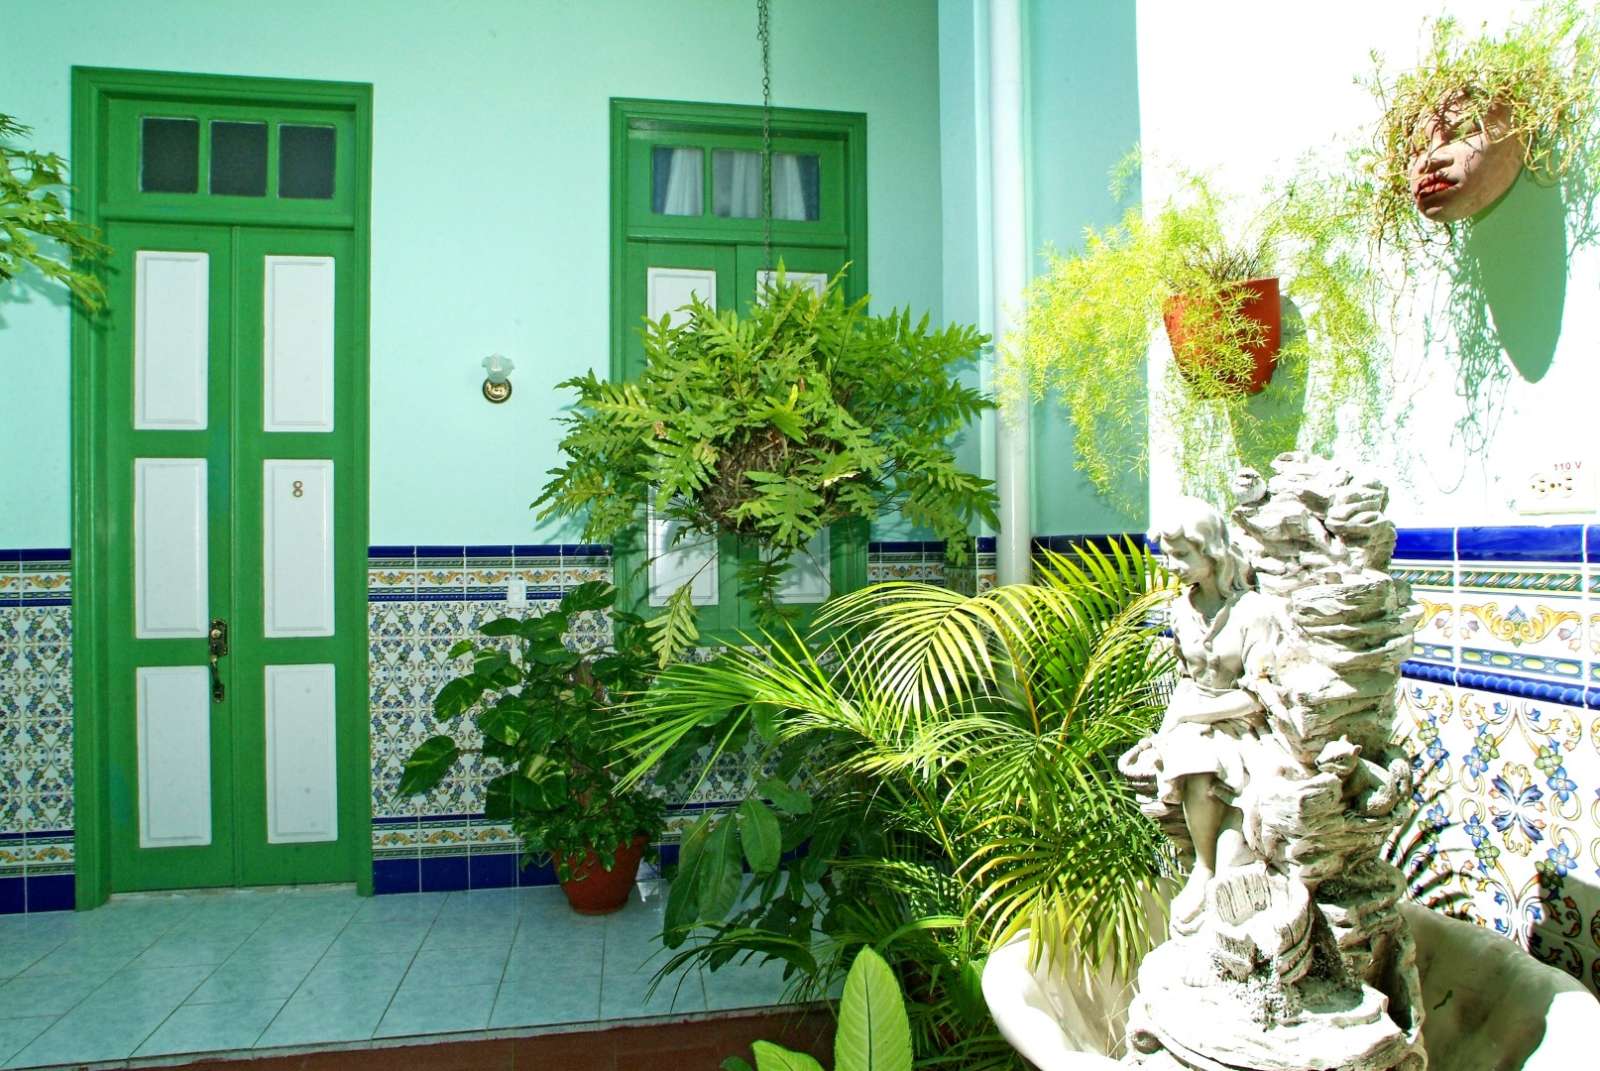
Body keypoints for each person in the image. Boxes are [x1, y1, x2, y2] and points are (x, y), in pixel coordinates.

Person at [1125, 497, 1286, 932]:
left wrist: (1196, 717)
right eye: (1167, 555)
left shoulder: (1254, 613)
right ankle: (1203, 868)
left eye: (1181, 555)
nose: (1171, 565)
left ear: (1210, 551)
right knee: (1187, 757)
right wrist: (1161, 735)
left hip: (1244, 723)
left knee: (1218, 771)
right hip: (1198, 720)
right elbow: (1184, 682)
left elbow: (1259, 697)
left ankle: (1219, 871)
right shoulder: (1182, 610)